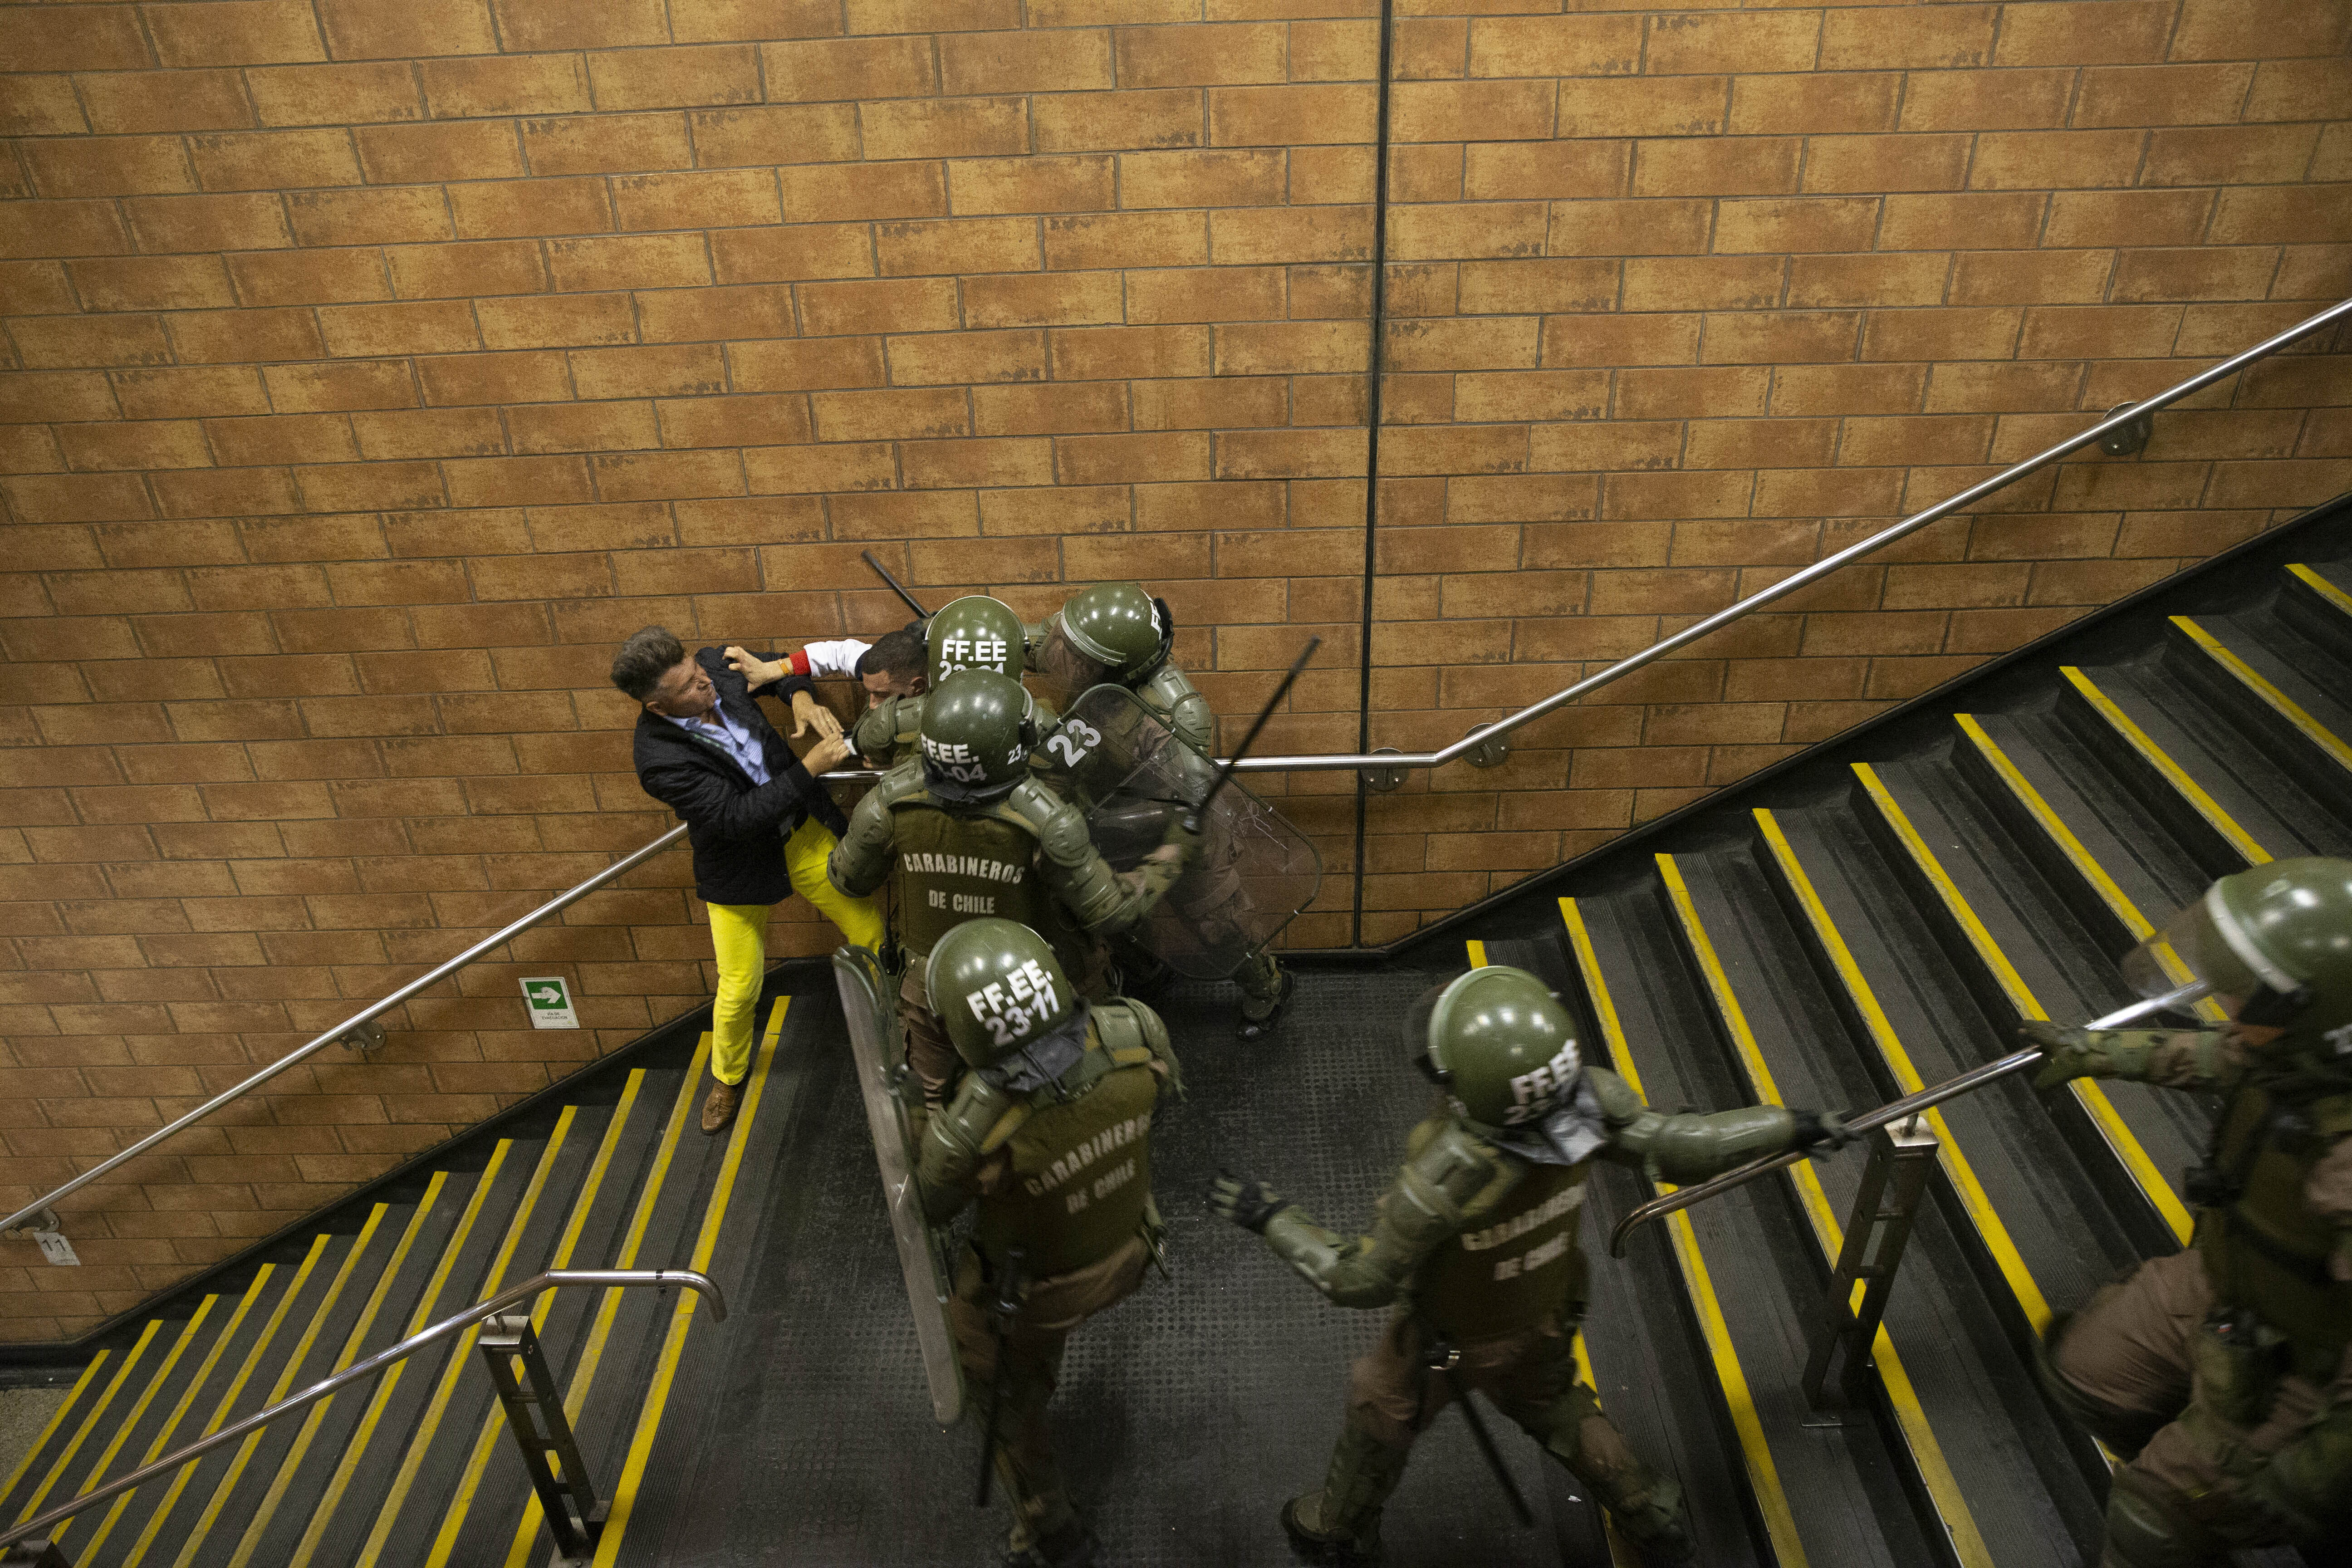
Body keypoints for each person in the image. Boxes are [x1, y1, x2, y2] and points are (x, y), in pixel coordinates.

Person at [1207, 963, 1854, 1567]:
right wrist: (1794, 1126)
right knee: (1562, 1410)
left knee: (1380, 1409)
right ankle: (1648, 1512)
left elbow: (1358, 1280)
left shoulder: (1448, 1175)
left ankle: (1338, 1529)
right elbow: (1690, 1145)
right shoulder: (1590, 1106)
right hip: (1542, 1312)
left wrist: (1274, 1219)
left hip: (1445, 1338)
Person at [2027, 858, 2352, 1568]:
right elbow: (2213, 1054)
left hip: (2312, 1355)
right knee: (2088, 1374)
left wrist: (2311, 1479)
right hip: (2233, 1286)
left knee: (2155, 1522)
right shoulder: (2299, 1059)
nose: (2229, 1008)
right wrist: (2095, 1052)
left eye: (2250, 997)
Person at [914, 918, 1177, 1568]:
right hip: (1133, 1247)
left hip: (1035, 1297)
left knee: (991, 1384)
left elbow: (928, 1211)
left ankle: (1048, 1526)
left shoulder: (976, 1130)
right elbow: (1164, 1097)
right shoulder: (1137, 1030)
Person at [827, 668, 1196, 1102]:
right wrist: (1173, 852)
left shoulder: (888, 805)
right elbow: (1113, 913)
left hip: (932, 993)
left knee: (928, 1108)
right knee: (1064, 1100)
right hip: (1039, 993)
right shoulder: (1047, 823)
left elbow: (848, 880)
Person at [613, 625, 882, 1134]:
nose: (705, 684)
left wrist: (798, 697)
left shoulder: (716, 667)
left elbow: (778, 665)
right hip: (739, 865)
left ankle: (891, 1030)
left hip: (800, 836)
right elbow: (737, 818)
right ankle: (728, 1077)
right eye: (690, 687)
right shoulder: (659, 761)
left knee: (871, 932)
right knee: (739, 987)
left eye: (698, 671)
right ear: (657, 707)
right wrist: (811, 767)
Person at [1032, 581, 1292, 1040]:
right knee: (1107, 915)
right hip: (1103, 814)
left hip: (1174, 822)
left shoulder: (1172, 715)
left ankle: (1268, 985)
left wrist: (1166, 853)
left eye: (1082, 661)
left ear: (1119, 668)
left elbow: (1192, 795)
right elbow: (1025, 641)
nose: (1067, 663)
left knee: (1219, 925)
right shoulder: (1081, 638)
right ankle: (1147, 975)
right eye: (1068, 648)